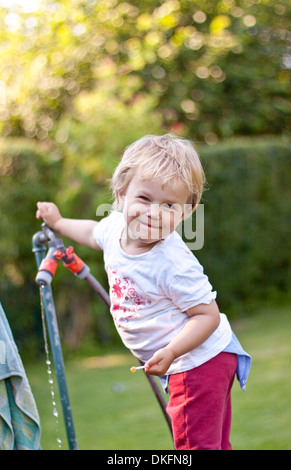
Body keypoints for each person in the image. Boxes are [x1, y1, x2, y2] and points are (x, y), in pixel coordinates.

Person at [36, 134, 251, 450]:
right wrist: (58, 221)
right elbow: (91, 232)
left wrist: (172, 351)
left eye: (168, 205)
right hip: (195, 362)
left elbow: (208, 316)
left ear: (186, 212)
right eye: (145, 199)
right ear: (122, 193)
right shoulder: (113, 229)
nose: (154, 213)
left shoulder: (172, 262)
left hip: (197, 364)